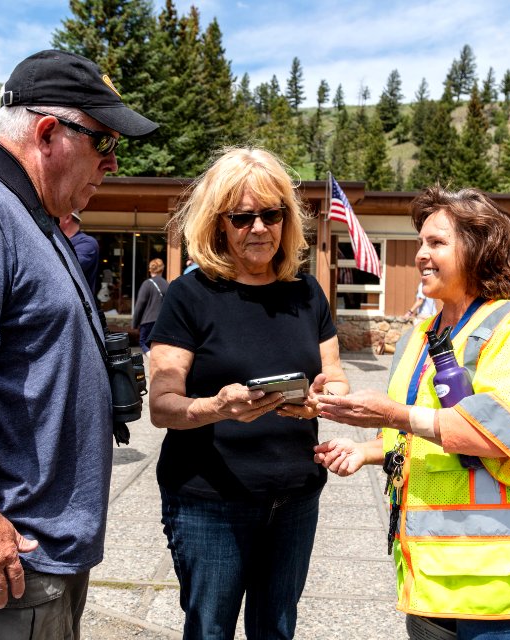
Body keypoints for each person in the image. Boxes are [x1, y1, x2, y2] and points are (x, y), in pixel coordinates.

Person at [0, 49, 158, 639]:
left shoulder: (32, 217)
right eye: (105, 143)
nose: (112, 164)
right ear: (48, 132)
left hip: (40, 547)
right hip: (5, 551)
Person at [314, 186, 510, 640]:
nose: (420, 255)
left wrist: (391, 414)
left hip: (499, 590)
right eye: (419, 243)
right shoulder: (420, 335)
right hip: (430, 579)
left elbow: (496, 437)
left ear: (479, 249)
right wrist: (366, 451)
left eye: (436, 243)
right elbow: (419, 430)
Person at [148, 146, 350, 639]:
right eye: (242, 217)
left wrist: (326, 395)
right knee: (210, 631)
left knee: (277, 632)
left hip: (295, 498)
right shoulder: (188, 296)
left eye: (271, 214)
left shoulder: (307, 293)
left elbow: (336, 375)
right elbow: (161, 405)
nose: (259, 228)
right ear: (219, 223)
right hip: (209, 502)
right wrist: (217, 407)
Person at [59, 209, 100, 295]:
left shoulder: (87, 243)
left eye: (57, 216)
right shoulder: (58, 241)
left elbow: (69, 268)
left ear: (67, 217)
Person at [131, 258, 168, 353]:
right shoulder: (167, 284)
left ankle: (152, 359)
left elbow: (140, 304)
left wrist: (134, 324)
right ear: (162, 269)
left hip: (147, 321)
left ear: (150, 269)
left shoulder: (147, 284)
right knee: (159, 345)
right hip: (162, 321)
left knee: (143, 343)